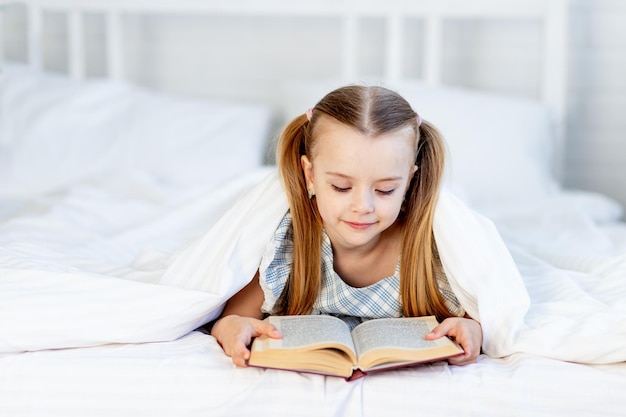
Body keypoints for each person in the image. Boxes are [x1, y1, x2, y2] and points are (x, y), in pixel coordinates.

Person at [210, 85, 482, 367]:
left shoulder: (433, 250)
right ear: (310, 174)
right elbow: (233, 318)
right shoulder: (286, 243)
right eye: (341, 187)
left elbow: (478, 318)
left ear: (410, 180)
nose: (362, 206)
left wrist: (472, 331)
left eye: (385, 190)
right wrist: (231, 329)